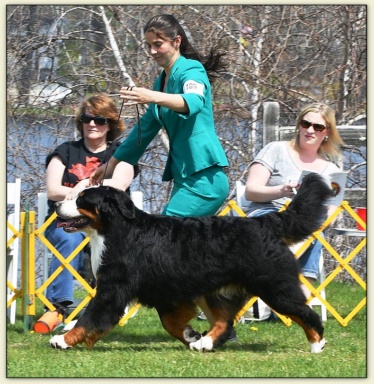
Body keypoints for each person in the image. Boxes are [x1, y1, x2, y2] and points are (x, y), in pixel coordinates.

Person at [89, 14, 232, 338]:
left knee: (165, 249)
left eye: (158, 44)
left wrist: (151, 97)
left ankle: (185, 323)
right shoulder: (161, 80)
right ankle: (216, 323)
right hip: (187, 179)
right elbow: (143, 132)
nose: (153, 51)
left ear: (176, 42)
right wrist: (108, 165)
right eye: (149, 45)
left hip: (206, 179)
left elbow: (192, 103)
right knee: (184, 257)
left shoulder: (191, 71)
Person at [45, 93, 138, 309]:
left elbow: (119, 185)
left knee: (114, 242)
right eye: (87, 119)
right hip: (68, 222)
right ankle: (60, 304)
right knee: (69, 240)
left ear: (111, 123)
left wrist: (81, 186)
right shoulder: (65, 152)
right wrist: (80, 191)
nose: (92, 124)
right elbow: (52, 190)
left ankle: (112, 302)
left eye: (100, 120)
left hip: (109, 223)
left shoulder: (121, 153)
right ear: (80, 122)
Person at [245, 102, 344, 298]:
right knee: (296, 229)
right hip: (267, 214)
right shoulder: (275, 150)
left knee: (313, 231)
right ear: (298, 125)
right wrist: (281, 191)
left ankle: (299, 299)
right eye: (305, 123)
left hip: (303, 225)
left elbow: (332, 210)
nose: (310, 130)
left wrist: (320, 218)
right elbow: (251, 191)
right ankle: (271, 295)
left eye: (318, 127)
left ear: (327, 132)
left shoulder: (331, 171)